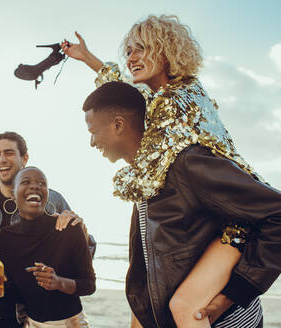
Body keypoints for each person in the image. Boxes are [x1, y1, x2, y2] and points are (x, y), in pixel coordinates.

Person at [62, 15, 279, 325]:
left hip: (235, 224)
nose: (131, 57)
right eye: (129, 50)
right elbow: (121, 92)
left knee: (185, 305)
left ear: (165, 51)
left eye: (141, 49)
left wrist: (232, 293)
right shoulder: (159, 96)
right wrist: (86, 57)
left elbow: (134, 123)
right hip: (221, 209)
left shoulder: (178, 103)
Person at [0, 131, 93, 328]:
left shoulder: (52, 201)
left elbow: (83, 259)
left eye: (9, 152)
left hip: (24, 319)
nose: (2, 159)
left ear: (24, 158)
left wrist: (81, 230)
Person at [0, 166, 95, 327]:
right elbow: (13, 294)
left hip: (72, 324)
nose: (35, 186)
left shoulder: (69, 228)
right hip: (31, 324)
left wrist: (58, 282)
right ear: (13, 194)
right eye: (26, 182)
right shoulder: (4, 238)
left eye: (42, 183)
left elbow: (89, 285)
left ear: (47, 194)